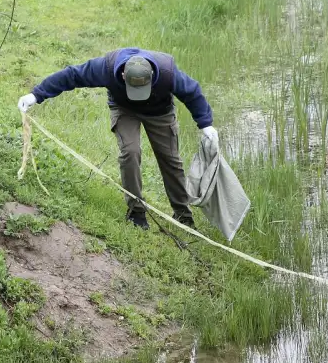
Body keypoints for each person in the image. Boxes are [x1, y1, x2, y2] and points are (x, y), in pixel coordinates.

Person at [18, 48, 219, 230]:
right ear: (123, 75)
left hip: (160, 112)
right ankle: (136, 212)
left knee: (171, 160)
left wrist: (205, 124)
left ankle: (183, 215)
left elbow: (192, 93)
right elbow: (71, 75)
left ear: (151, 76)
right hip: (124, 110)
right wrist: (36, 95)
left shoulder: (168, 72)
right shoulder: (106, 68)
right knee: (130, 152)